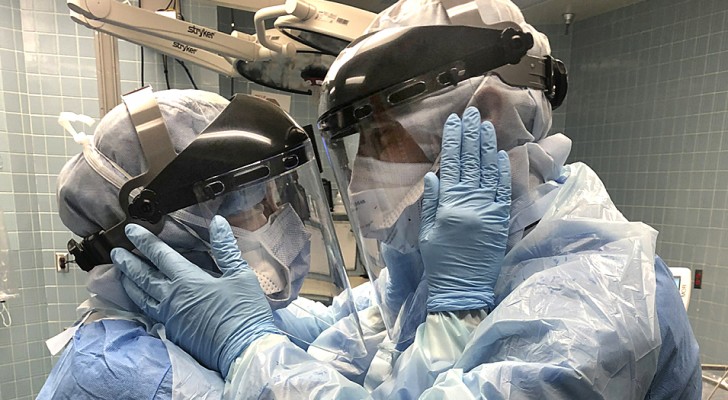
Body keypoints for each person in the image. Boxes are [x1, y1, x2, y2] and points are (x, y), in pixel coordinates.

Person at [117, 1, 701, 399]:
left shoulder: (596, 308)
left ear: (487, 118)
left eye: (382, 136)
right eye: (357, 142)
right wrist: (247, 312)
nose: (360, 176)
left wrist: (248, 346)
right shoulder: (445, 267)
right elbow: (350, 331)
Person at [38, 87, 364, 399]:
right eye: (256, 203)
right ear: (166, 227)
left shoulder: (226, 316)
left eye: (275, 196)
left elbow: (339, 333)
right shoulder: (124, 372)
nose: (278, 214)